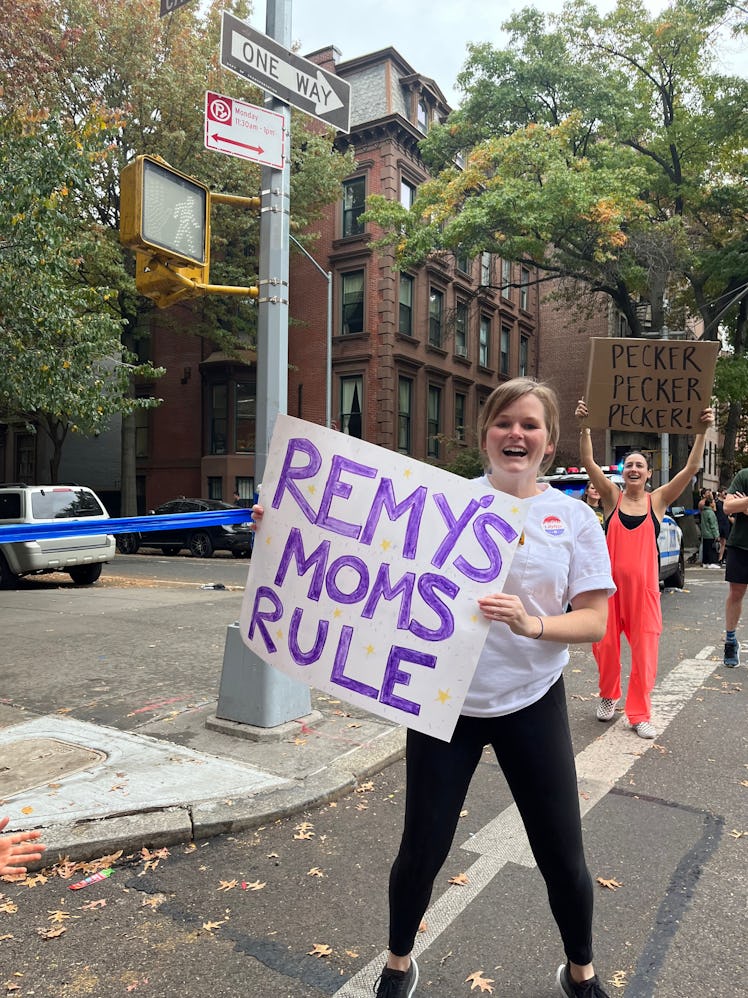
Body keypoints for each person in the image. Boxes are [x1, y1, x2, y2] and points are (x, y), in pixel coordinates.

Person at [251, 378, 616, 998]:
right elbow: (357, 551)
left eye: (529, 425)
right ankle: (397, 963)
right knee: (422, 847)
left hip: (532, 701)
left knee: (561, 852)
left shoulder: (574, 517)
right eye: (504, 423)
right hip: (443, 704)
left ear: (550, 442)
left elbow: (597, 619)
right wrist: (288, 527)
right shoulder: (442, 503)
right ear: (484, 436)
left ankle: (580, 972)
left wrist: (535, 624)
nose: (516, 434)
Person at [575, 400, 715, 739]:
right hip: (609, 591)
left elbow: (692, 467)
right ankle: (609, 695)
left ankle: (639, 713)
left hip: (645, 592)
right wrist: (586, 426)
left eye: (640, 465)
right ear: (623, 473)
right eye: (629, 465)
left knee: (646, 652)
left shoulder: (659, 500)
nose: (634, 469)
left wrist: (701, 431)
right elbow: (589, 462)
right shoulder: (611, 498)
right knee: (604, 647)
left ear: (649, 473)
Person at [722, 468, 748, 668]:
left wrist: (744, 504)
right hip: (740, 544)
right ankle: (730, 641)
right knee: (736, 593)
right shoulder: (744, 475)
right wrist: (742, 505)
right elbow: (728, 507)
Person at [699, 497, 720, 568]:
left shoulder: (703, 512)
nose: (714, 504)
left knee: (706, 548)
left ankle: (705, 562)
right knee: (712, 549)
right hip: (710, 533)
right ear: (710, 504)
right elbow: (713, 525)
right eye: (713, 502)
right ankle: (712, 562)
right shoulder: (711, 513)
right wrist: (716, 535)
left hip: (705, 533)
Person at [715, 490, 731, 566]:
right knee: (717, 540)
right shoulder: (717, 502)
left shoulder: (726, 503)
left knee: (723, 541)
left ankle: (720, 558)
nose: (726, 494)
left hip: (725, 523)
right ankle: (715, 557)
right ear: (720, 493)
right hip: (719, 522)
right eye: (725, 493)